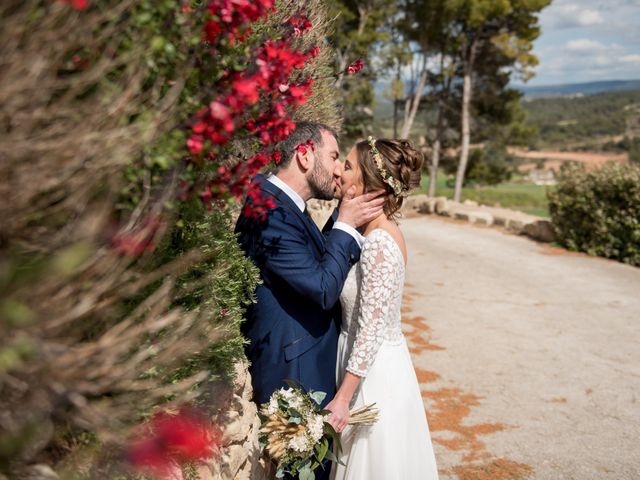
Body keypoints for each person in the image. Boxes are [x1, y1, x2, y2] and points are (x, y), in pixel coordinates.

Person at [234, 121, 384, 414]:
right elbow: (322, 288)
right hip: (295, 371)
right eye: (333, 157)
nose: (338, 169)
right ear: (304, 155)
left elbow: (310, 259)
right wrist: (346, 224)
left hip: (307, 360)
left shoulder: (280, 204)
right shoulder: (268, 213)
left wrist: (343, 216)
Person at [326, 137, 439, 480]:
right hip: (365, 361)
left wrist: (344, 398)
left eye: (346, 166)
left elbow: (371, 329)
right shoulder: (371, 232)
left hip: (373, 376)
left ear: (365, 183)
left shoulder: (378, 243)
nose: (338, 171)